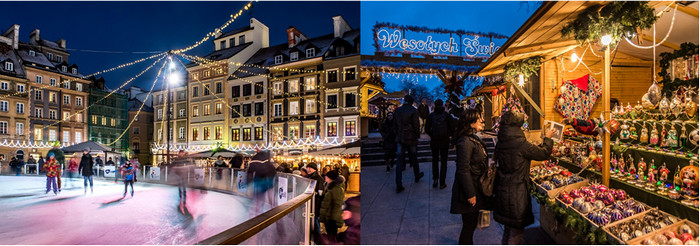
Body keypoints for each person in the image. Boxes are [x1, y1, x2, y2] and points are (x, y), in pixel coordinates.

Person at [494, 111, 555, 245]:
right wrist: (548, 138)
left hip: (502, 190)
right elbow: (543, 153)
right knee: (516, 233)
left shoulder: (502, 141)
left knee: (508, 228)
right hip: (516, 194)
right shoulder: (520, 143)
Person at [450, 108, 489, 244]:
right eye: (478, 118)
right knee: (469, 225)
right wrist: (470, 193)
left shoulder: (472, 138)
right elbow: (463, 170)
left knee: (471, 224)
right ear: (470, 122)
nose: (481, 120)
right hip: (469, 190)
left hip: (475, 185)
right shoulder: (465, 142)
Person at [393, 95, 424, 193]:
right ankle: (416, 175)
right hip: (411, 138)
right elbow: (416, 125)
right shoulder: (413, 111)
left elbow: (394, 125)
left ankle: (398, 183)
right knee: (414, 157)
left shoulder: (397, 111)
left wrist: (397, 135)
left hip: (400, 138)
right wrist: (417, 135)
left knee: (399, 161)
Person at [425, 99, 454, 189]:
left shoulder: (431, 116)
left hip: (434, 141)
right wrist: (448, 135)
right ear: (442, 105)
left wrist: (432, 134)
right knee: (444, 162)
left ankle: (435, 179)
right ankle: (442, 182)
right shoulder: (447, 115)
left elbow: (427, 129)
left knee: (435, 160)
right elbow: (452, 128)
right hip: (444, 141)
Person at [320, 169, 345, 240]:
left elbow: (337, 205)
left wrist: (334, 219)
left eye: (326, 176)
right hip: (328, 216)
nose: (325, 177)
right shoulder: (329, 186)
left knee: (332, 235)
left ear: (330, 178)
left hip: (332, 218)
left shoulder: (337, 189)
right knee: (330, 235)